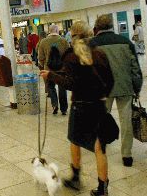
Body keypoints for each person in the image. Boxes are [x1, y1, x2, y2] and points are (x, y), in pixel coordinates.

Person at [40, 21, 114, 196]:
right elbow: (110, 80)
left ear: (72, 36)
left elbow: (70, 83)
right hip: (98, 105)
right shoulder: (100, 54)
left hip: (80, 107)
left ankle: (75, 177)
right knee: (99, 147)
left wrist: (51, 75)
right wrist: (102, 95)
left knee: (74, 141)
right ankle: (103, 187)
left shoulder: (72, 56)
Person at [91, 14, 143, 167]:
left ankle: (101, 149)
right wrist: (137, 87)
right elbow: (135, 69)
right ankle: (127, 155)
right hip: (125, 87)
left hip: (102, 90)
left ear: (97, 28)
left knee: (100, 120)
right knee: (126, 121)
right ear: (111, 26)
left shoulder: (92, 44)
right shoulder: (125, 42)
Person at [38, 25, 70, 115]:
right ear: (57, 30)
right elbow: (68, 55)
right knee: (62, 87)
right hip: (62, 69)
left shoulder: (43, 42)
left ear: (49, 31)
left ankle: (54, 105)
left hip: (48, 70)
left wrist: (43, 64)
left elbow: (40, 57)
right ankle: (64, 109)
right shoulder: (64, 41)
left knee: (51, 87)